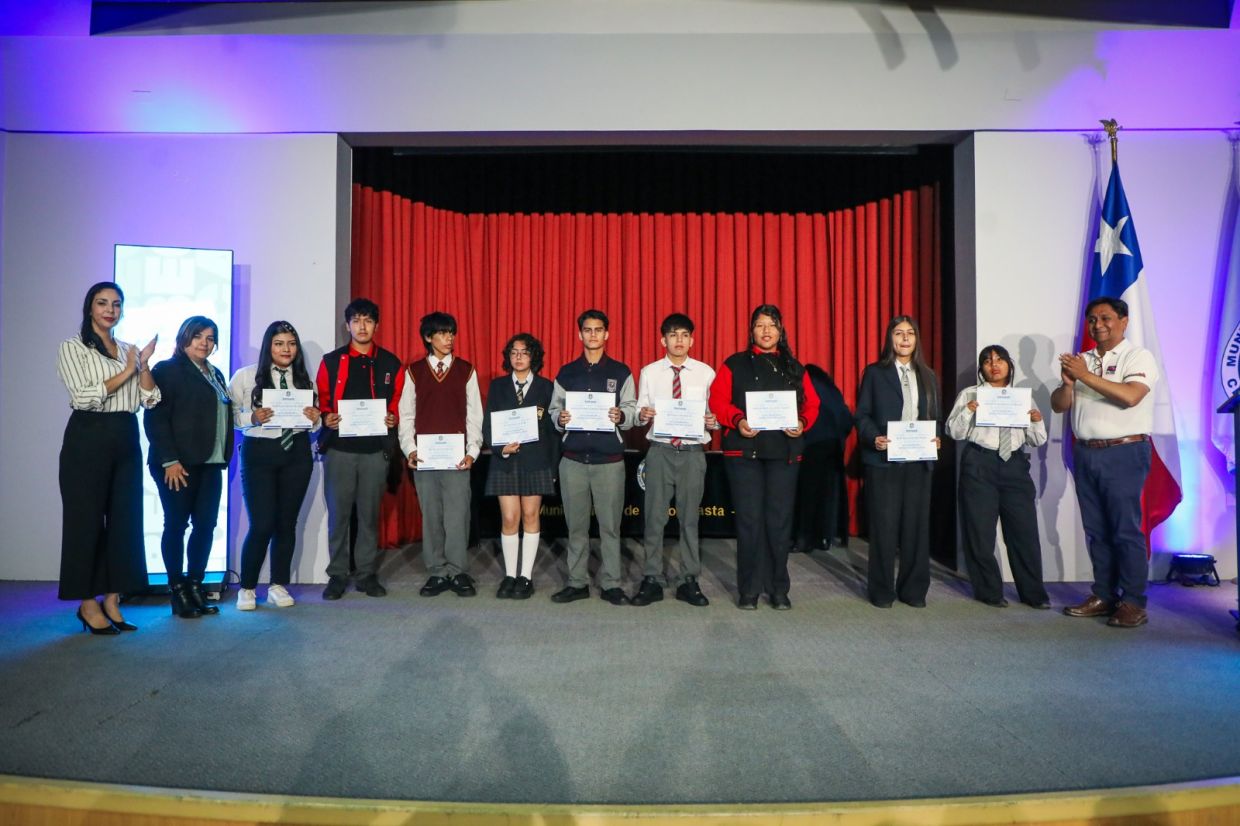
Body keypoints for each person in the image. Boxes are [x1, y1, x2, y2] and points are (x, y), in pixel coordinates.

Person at [56, 282, 159, 634]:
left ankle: (113, 600)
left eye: (116, 304)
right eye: (102, 303)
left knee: (125, 521)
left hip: (126, 435)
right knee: (85, 522)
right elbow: (84, 396)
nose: (110, 310)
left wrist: (143, 365)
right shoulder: (73, 347)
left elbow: (151, 399)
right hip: (88, 435)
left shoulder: (128, 349)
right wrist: (128, 370)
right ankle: (87, 604)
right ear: (90, 307)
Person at [1052, 296, 1158, 628]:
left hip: (1124, 451)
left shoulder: (1137, 356)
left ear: (1123, 321)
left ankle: (1133, 601)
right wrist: (1068, 384)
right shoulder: (1081, 360)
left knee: (1125, 529)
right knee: (1096, 530)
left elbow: (1130, 396)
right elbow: (1059, 405)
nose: (1097, 325)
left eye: (1105, 318)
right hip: (1086, 451)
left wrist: (1084, 376)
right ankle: (1104, 595)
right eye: (1092, 320)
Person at [709, 304, 819, 610]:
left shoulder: (795, 367)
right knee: (749, 522)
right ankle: (749, 589)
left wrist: (802, 423)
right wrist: (738, 420)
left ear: (781, 331)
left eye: (772, 325)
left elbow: (812, 405)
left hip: (784, 455)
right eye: (760, 325)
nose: (766, 331)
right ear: (751, 331)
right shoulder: (734, 364)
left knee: (779, 523)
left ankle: (778, 588)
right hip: (744, 454)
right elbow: (717, 400)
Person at [946, 345, 1050, 609]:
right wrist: (968, 410)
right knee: (980, 533)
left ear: (1009, 365)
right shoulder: (970, 394)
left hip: (1014, 465)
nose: (994, 365)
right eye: (988, 361)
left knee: (1024, 533)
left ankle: (1034, 594)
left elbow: (1038, 439)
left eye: (1000, 359)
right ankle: (989, 592)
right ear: (981, 368)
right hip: (980, 463)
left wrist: (1036, 420)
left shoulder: (1022, 397)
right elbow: (953, 432)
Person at [227, 321, 322, 611]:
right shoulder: (245, 376)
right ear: (269, 346)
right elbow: (228, 416)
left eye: (291, 344)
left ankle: (278, 585)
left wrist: (315, 418)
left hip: (297, 453)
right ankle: (247, 587)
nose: (286, 349)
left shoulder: (305, 380)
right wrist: (252, 418)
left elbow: (314, 424)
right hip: (259, 453)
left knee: (286, 523)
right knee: (262, 524)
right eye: (279, 343)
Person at [316, 298, 405, 600]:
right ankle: (338, 574)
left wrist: (392, 417)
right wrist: (326, 416)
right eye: (356, 320)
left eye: (368, 320)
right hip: (340, 449)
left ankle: (366, 573)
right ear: (348, 325)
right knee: (339, 515)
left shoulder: (391, 363)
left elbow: (398, 401)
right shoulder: (331, 361)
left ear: (376, 325)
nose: (362, 326)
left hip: (375, 451)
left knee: (369, 515)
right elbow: (322, 398)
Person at [145, 316, 234, 619]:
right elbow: (155, 417)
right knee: (176, 524)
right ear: (184, 338)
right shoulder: (166, 370)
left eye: (210, 338)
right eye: (198, 336)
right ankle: (177, 590)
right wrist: (169, 460)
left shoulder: (215, 373)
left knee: (206, 525)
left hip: (210, 462)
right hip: (177, 464)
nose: (204, 343)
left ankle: (195, 585)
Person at [547, 309, 638, 605]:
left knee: (610, 527)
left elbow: (632, 410)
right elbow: (553, 411)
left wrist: (621, 415)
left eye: (598, 329)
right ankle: (577, 582)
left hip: (609, 463)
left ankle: (611, 583)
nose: (593, 335)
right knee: (576, 527)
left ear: (607, 334)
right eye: (588, 330)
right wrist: (560, 418)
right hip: (573, 461)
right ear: (580, 334)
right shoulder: (566, 372)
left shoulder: (621, 372)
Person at [854, 315, 941, 609]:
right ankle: (881, 591)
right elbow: (862, 415)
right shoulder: (875, 373)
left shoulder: (928, 375)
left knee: (916, 529)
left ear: (917, 339)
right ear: (890, 339)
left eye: (910, 333)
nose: (905, 338)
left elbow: (935, 418)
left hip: (919, 462)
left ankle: (913, 591)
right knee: (884, 528)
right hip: (884, 461)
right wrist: (874, 438)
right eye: (899, 333)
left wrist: (936, 438)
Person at [632, 313, 718, 607]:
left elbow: (715, 416)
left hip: (692, 452)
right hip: (660, 450)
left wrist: (713, 420)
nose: (679, 340)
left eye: (684, 335)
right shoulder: (649, 372)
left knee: (689, 519)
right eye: (673, 335)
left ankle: (688, 579)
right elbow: (639, 411)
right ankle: (652, 578)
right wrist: (643, 414)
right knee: (654, 517)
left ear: (692, 340)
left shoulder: (705, 373)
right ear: (663, 340)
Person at [398, 311, 483, 597]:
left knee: (457, 516)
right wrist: (410, 449)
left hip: (457, 458)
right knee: (432, 516)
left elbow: (474, 416)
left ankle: (458, 571)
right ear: (428, 337)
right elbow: (406, 415)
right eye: (443, 333)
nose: (449, 338)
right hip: (426, 458)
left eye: (452, 333)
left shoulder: (466, 371)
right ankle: (436, 571)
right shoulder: (414, 372)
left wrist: (472, 451)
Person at [481, 333, 559, 600]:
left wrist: (553, 469)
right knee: (509, 518)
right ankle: (510, 576)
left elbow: (553, 434)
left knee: (530, 515)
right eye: (514, 352)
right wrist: (501, 448)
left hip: (536, 462)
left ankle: (525, 576)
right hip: (505, 462)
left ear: (533, 356)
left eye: (524, 352)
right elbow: (488, 425)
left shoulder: (547, 387)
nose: (518, 357)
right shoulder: (498, 386)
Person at [792, 364, 853, 553]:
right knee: (828, 493)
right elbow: (846, 419)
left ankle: (804, 538)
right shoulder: (832, 390)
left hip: (811, 445)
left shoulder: (805, 387)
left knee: (807, 493)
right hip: (833, 446)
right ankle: (825, 537)